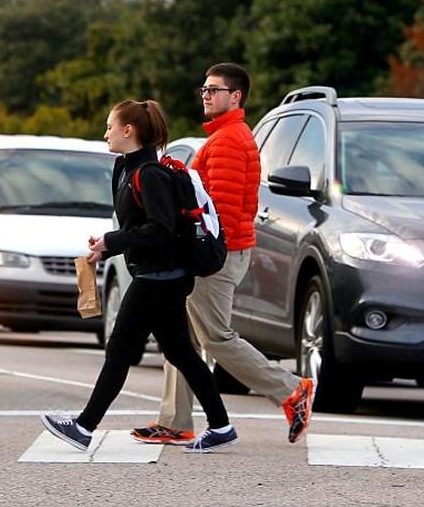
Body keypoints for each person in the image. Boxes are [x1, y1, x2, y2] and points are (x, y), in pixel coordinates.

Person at [131, 63, 315, 446]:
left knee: (216, 337)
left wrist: (198, 254)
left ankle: (291, 390)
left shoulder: (230, 140)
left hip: (217, 255)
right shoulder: (222, 137)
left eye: (214, 90)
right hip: (216, 253)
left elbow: (224, 213)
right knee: (179, 336)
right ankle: (174, 420)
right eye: (204, 88)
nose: (206, 94)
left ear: (236, 97)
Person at [41, 100, 237, 453]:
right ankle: (221, 425)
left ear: (128, 130)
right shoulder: (127, 168)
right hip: (158, 274)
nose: (106, 133)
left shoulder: (150, 174)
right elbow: (138, 226)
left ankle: (84, 427)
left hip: (160, 277)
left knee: (119, 348)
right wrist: (107, 246)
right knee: (181, 352)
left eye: (110, 127)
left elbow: (161, 229)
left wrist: (112, 241)